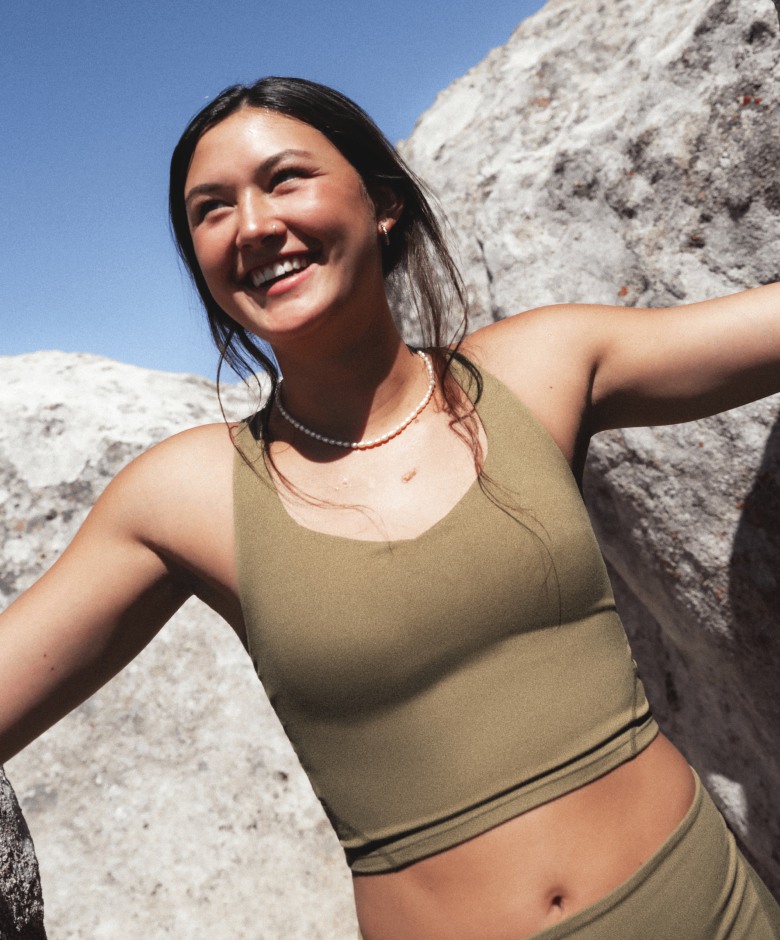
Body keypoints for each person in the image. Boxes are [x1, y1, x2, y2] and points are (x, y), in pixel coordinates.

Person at [2, 75, 779, 939]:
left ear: (383, 204)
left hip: (711, 911)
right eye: (210, 210)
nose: (253, 225)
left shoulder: (539, 367)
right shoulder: (183, 496)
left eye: (285, 178)